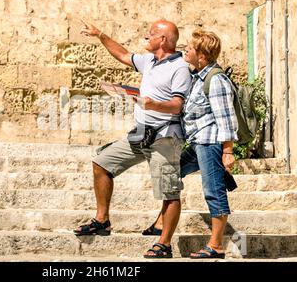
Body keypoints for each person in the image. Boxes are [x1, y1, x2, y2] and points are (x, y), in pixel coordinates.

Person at [73, 19, 192, 259]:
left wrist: (151, 103)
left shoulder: (179, 68)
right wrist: (100, 35)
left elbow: (177, 106)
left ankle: (164, 243)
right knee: (102, 163)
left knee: (169, 191)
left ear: (164, 40)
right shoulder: (149, 61)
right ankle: (102, 220)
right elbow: (123, 55)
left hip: (165, 135)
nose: (146, 37)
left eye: (151, 34)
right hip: (141, 132)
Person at [144, 30, 238, 259]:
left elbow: (226, 118)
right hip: (197, 143)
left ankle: (216, 245)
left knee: (214, 191)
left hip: (211, 144)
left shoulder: (215, 80)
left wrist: (227, 151)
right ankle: (161, 221)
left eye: (190, 48)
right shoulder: (198, 77)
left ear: (202, 56)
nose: (185, 49)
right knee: (172, 173)